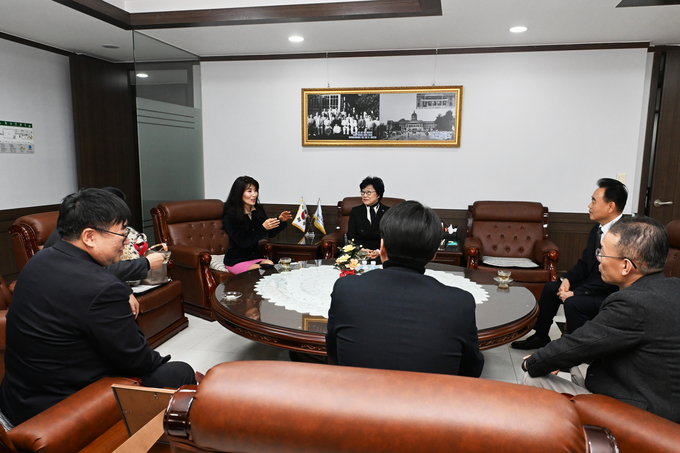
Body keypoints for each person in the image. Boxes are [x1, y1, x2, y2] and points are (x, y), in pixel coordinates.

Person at [0, 188, 196, 428]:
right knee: (180, 371)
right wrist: (159, 362)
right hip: (64, 410)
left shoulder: (38, 261)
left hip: (17, 399)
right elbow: (138, 361)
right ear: (90, 237)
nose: (126, 241)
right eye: (122, 233)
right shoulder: (102, 288)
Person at [521, 216, 680, 423]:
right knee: (576, 364)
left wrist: (534, 362)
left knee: (533, 377)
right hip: (655, 391)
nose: (599, 259)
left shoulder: (632, 303)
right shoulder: (673, 286)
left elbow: (579, 344)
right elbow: (585, 344)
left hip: (641, 414)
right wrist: (555, 357)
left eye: (603, 253)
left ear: (626, 266)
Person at [326, 200, 484, 376]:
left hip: (357, 392)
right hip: (432, 394)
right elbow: (471, 370)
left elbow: (334, 352)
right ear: (434, 254)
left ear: (382, 247)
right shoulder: (460, 303)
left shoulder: (346, 289)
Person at [512, 178, 627, 350]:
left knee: (574, 302)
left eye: (594, 201)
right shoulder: (597, 229)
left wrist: (576, 293)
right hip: (593, 284)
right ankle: (540, 336)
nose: (589, 205)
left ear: (610, 206)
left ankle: (578, 348)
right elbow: (584, 264)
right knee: (551, 288)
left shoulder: (625, 234)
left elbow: (614, 278)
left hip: (610, 290)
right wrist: (567, 280)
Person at [44, 187, 165, 318]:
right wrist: (146, 263)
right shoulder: (98, 286)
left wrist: (126, 290)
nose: (126, 241)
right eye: (122, 234)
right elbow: (101, 271)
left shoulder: (44, 256)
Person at [222, 176, 291, 274]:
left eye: (255, 190)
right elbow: (243, 242)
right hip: (237, 260)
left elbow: (270, 233)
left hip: (255, 257)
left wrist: (281, 221)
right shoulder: (230, 216)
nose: (254, 194)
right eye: (249, 191)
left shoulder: (258, 210)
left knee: (270, 264)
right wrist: (263, 228)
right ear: (239, 193)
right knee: (262, 271)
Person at [346, 176, 390, 261]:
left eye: (368, 192)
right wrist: (361, 250)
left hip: (381, 254)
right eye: (363, 192)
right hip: (360, 254)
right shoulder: (356, 211)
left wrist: (378, 251)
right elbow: (351, 236)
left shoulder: (388, 212)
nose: (364, 196)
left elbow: (390, 237)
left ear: (378, 194)